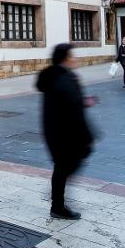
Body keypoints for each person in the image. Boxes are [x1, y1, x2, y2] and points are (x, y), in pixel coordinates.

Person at [36, 43, 94, 220]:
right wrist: (87, 136)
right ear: (64, 58)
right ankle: (58, 205)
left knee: (62, 167)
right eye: (71, 56)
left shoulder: (52, 77)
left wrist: (83, 101)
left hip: (54, 130)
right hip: (66, 134)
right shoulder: (66, 79)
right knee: (67, 166)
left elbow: (64, 102)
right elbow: (73, 109)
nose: (74, 59)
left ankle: (57, 201)